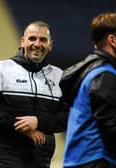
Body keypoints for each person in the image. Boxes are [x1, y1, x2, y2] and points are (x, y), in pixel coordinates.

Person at [0, 21, 68, 168]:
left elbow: (67, 118)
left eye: (43, 40)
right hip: (3, 157)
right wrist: (22, 127)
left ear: (51, 45)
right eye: (32, 38)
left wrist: (38, 122)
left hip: (40, 158)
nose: (37, 44)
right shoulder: (0, 69)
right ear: (23, 41)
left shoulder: (60, 76)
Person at [61, 12, 116, 168]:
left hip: (82, 161)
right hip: (97, 161)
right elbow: (111, 128)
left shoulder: (91, 73)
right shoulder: (105, 75)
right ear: (113, 40)